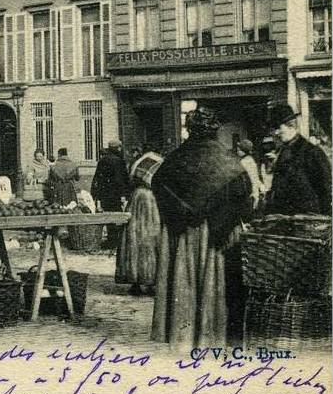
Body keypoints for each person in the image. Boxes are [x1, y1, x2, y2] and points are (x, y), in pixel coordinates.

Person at [151, 107, 252, 351]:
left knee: (185, 283)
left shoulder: (174, 158)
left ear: (189, 130)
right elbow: (244, 197)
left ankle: (184, 338)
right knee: (216, 285)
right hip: (218, 234)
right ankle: (214, 338)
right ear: (215, 129)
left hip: (185, 235)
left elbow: (158, 185)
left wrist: (181, 214)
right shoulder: (230, 161)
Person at [266, 103, 332, 216]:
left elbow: (326, 190)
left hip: (307, 221)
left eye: (278, 128)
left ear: (291, 125)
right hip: (284, 221)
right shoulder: (283, 152)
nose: (275, 133)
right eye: (273, 129)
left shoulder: (312, 152)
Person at [117, 151, 163, 296]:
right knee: (150, 239)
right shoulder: (159, 163)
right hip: (151, 201)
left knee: (133, 239)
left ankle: (135, 282)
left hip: (136, 199)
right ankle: (150, 281)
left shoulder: (139, 164)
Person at [91, 138, 130, 249]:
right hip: (115, 194)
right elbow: (121, 179)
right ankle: (117, 241)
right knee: (117, 216)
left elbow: (97, 178)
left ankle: (111, 240)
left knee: (108, 216)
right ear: (118, 148)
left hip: (104, 193)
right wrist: (124, 194)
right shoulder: (119, 161)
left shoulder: (102, 161)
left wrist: (96, 193)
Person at [235, 139, 266, 210]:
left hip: (249, 191)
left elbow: (253, 178)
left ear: (244, 151)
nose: (237, 151)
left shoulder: (244, 162)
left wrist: (255, 194)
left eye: (239, 150)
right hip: (253, 190)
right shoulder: (250, 159)